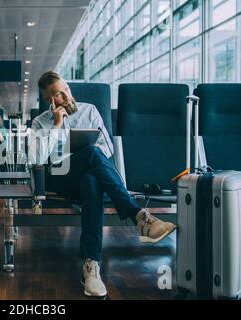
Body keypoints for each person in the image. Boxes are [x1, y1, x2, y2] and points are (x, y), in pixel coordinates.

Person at [29, 70, 176, 297]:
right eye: (59, 94)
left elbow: (108, 149)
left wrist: (89, 153)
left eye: (66, 89)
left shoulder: (90, 111)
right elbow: (38, 161)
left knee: (91, 181)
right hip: (60, 177)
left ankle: (91, 266)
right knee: (91, 153)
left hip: (89, 175)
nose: (67, 97)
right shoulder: (40, 123)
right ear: (50, 100)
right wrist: (57, 126)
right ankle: (138, 215)